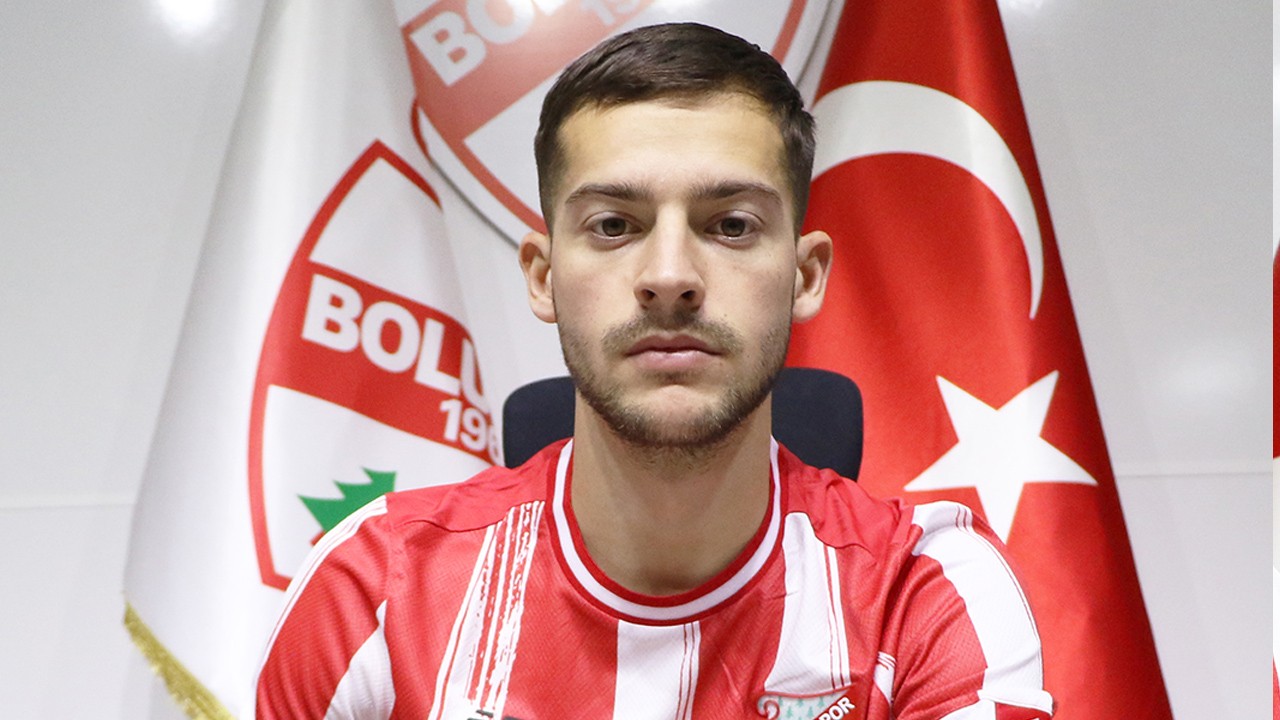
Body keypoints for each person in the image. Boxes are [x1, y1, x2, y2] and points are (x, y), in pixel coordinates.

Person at [255, 22, 1054, 720]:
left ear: (806, 276)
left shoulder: (928, 592)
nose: (670, 276)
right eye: (614, 225)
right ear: (543, 276)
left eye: (730, 225)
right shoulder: (375, 587)